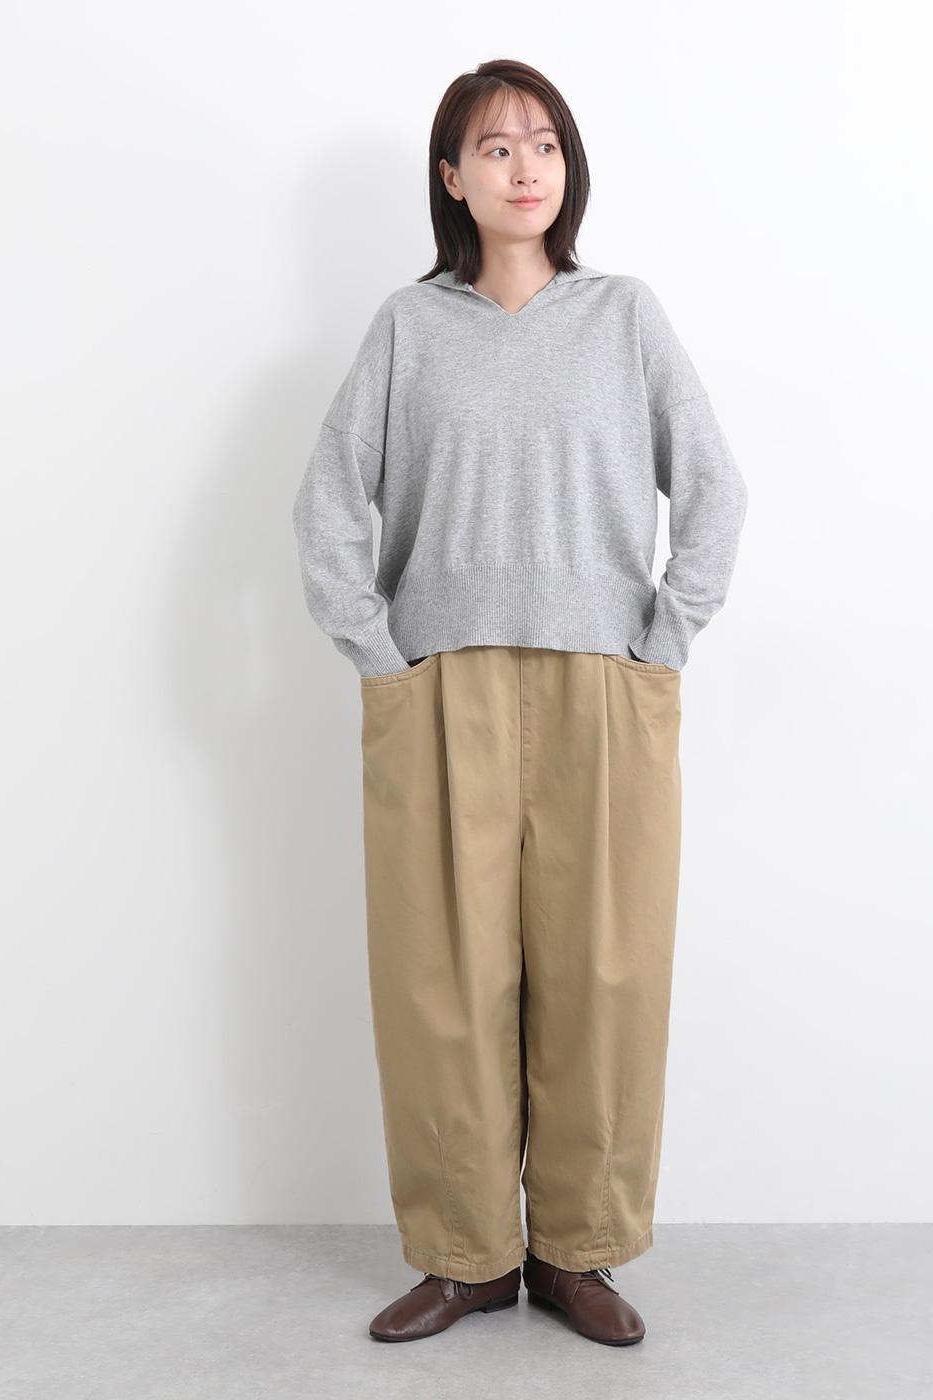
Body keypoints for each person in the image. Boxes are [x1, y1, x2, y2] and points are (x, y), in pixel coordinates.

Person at [293, 58, 749, 1347]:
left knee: (605, 973)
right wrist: (377, 652)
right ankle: (467, 1256)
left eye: (544, 142)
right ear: (453, 178)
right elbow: (329, 497)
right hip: (441, 685)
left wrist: (664, 639)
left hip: (604, 682)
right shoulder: (409, 327)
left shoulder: (624, 316)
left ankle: (577, 1251)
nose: (525, 167)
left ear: (569, 166)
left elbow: (714, 484)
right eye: (494, 148)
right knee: (442, 980)